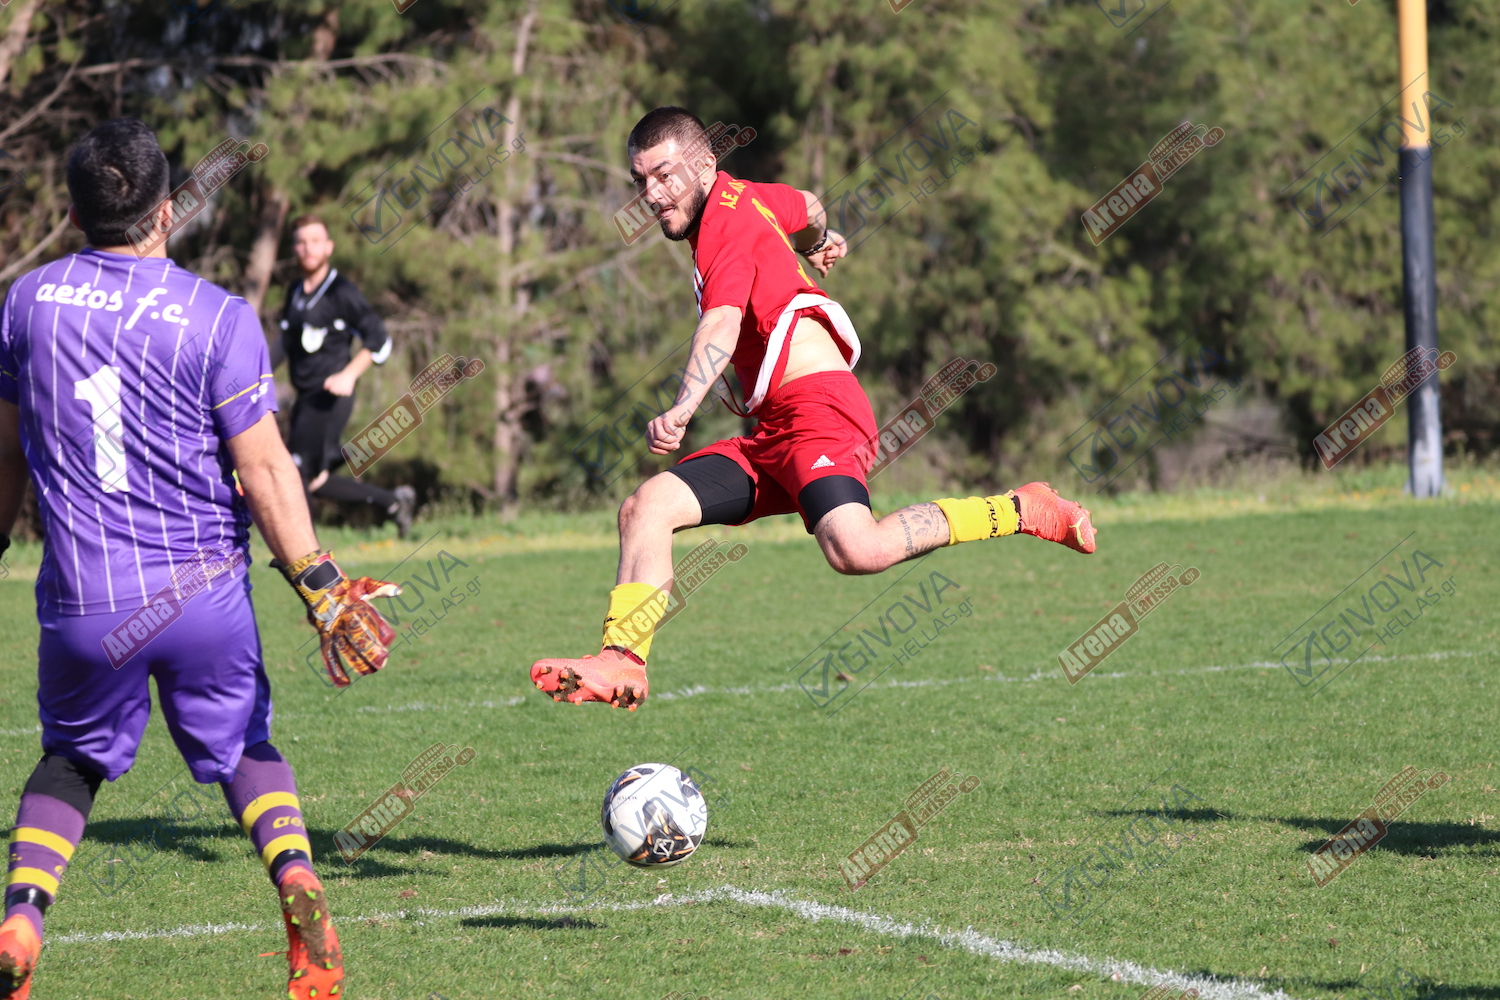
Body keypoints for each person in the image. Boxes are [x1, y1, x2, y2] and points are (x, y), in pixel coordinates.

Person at [0, 118, 402, 1000]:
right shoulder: (219, 316)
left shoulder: (25, 303)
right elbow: (265, 471)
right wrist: (321, 587)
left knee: (71, 760)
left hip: (87, 602)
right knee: (244, 745)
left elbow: (4, 453)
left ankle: (23, 916)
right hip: (203, 596)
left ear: (74, 213)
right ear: (167, 211)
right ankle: (294, 873)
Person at [529, 106, 1098, 711]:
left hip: (821, 411)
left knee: (857, 551)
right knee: (646, 506)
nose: (651, 194)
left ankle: (1020, 508)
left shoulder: (723, 226)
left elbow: (721, 322)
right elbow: (808, 204)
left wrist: (683, 406)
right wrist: (819, 242)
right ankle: (622, 660)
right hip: (773, 430)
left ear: (705, 165)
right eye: (641, 180)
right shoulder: (751, 198)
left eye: (664, 176)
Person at [271, 214, 416, 536]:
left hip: (330, 398)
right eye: (301, 242)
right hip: (306, 398)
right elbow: (286, 341)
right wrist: (257, 375)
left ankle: (305, 554)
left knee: (295, 471)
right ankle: (393, 502)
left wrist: (349, 374)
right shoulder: (295, 291)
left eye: (315, 241)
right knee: (313, 479)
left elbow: (378, 338)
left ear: (329, 247)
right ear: (294, 248)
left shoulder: (341, 292)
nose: (308, 248)